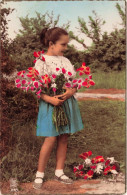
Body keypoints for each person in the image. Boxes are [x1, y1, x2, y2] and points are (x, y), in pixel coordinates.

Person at [33, 27, 84, 189]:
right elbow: (36, 89)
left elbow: (74, 83)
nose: (65, 48)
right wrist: (50, 99)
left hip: (66, 103)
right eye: (63, 44)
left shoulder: (66, 61)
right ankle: (39, 175)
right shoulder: (41, 62)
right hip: (51, 104)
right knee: (51, 137)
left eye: (66, 44)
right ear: (51, 44)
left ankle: (59, 171)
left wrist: (71, 92)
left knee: (64, 136)